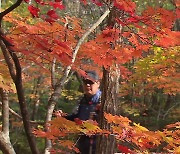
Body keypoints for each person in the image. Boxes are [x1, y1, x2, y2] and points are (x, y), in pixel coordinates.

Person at [66, 70, 101, 154]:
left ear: (98, 84)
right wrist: (63, 117)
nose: (87, 85)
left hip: (97, 146)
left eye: (90, 82)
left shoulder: (104, 101)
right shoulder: (82, 100)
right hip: (82, 144)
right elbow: (76, 117)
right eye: (85, 82)